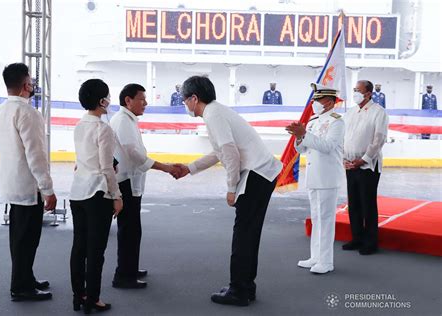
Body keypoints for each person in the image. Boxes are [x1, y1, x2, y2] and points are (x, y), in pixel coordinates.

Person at [174, 76, 282, 306]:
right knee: (249, 233)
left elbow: (230, 154)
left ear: (194, 98)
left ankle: (239, 290)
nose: (184, 104)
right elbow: (219, 153)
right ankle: (245, 286)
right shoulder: (216, 112)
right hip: (262, 173)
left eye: (185, 100)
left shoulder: (213, 115)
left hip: (256, 176)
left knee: (243, 234)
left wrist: (231, 189)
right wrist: (189, 169)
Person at [0, 63, 57, 301]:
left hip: (12, 184)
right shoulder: (29, 113)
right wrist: (47, 189)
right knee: (27, 241)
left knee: (19, 239)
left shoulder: (0, 111)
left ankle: (25, 278)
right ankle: (21, 286)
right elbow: (36, 155)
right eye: (31, 82)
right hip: (29, 188)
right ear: (25, 86)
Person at [110, 84, 179, 289]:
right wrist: (165, 167)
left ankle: (129, 268)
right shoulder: (123, 121)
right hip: (126, 183)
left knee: (132, 229)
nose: (146, 103)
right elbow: (134, 154)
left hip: (132, 183)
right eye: (141, 99)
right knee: (129, 230)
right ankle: (123, 275)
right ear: (128, 100)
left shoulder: (128, 120)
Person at [69, 79, 123, 313]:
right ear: (102, 101)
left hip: (77, 193)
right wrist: (117, 195)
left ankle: (78, 295)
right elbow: (106, 168)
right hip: (97, 194)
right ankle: (93, 298)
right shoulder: (103, 129)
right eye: (108, 96)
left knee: (79, 247)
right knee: (95, 251)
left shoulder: (79, 126)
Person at [286, 83, 344, 274]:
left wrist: (304, 135)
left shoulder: (337, 122)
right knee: (317, 218)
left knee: (326, 219)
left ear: (328, 102)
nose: (314, 103)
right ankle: (315, 257)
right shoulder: (312, 121)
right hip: (314, 176)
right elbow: (302, 149)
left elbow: (327, 146)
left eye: (317, 100)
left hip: (327, 177)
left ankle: (326, 262)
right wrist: (299, 136)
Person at [342, 80, 389, 255]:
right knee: (353, 203)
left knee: (367, 203)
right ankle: (357, 238)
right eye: (354, 89)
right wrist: (344, 159)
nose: (355, 93)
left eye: (358, 90)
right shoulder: (351, 112)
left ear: (368, 93)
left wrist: (364, 159)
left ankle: (370, 242)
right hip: (349, 164)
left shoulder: (379, 112)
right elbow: (343, 136)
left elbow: (379, 139)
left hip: (367, 166)